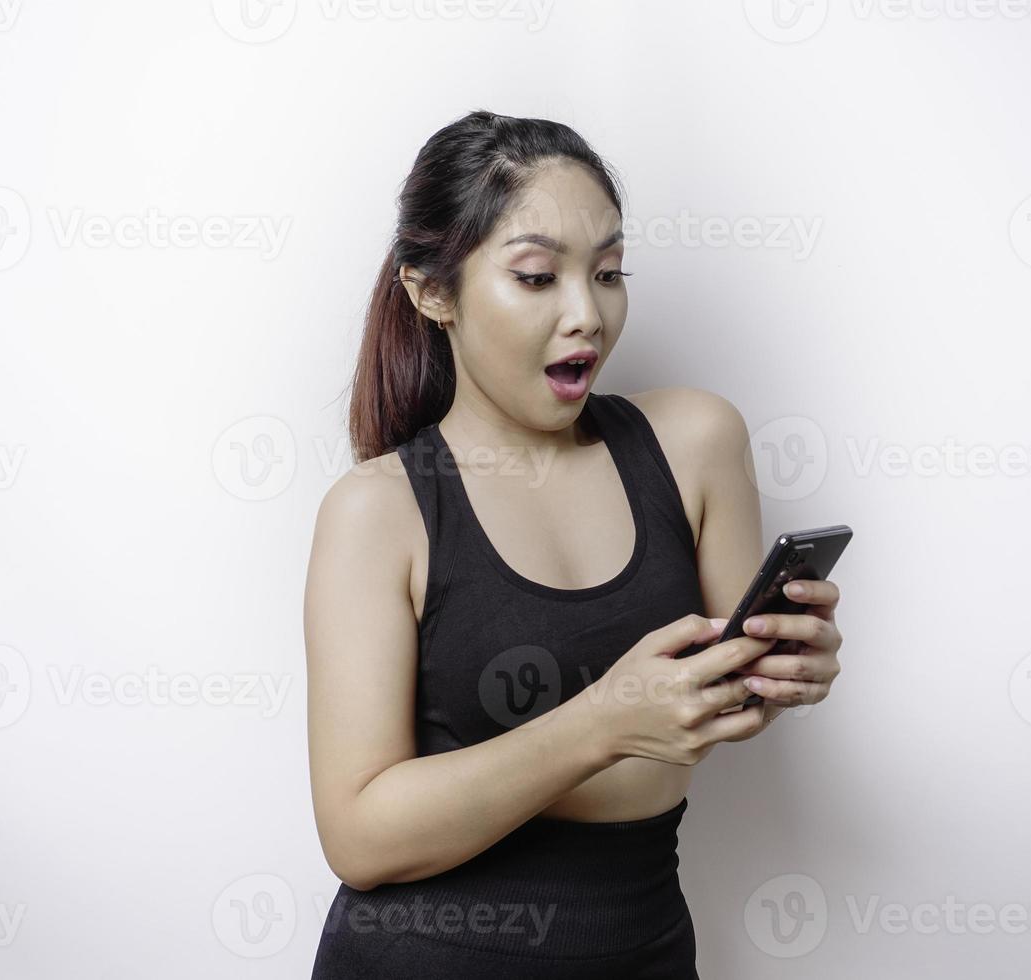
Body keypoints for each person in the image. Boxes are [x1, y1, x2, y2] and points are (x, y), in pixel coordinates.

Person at [304, 109, 844, 979]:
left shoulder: (695, 441)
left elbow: (719, 702)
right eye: (536, 276)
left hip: (643, 945)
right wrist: (599, 723)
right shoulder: (380, 511)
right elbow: (359, 836)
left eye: (608, 272)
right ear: (431, 292)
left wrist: (781, 674)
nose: (586, 314)